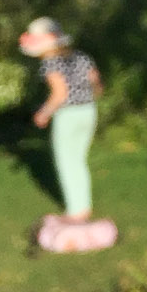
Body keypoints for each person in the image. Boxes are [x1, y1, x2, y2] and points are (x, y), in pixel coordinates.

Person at [18, 17, 103, 223]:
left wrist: (44, 113)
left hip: (67, 115)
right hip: (88, 110)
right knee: (79, 160)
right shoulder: (81, 57)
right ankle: (83, 206)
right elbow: (96, 83)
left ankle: (76, 211)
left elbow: (60, 94)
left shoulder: (50, 63)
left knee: (66, 162)